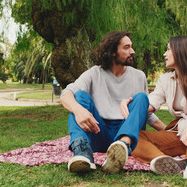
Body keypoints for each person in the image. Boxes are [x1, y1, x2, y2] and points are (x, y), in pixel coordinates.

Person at [60, 31, 166, 174]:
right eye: (126, 47)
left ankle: (121, 148)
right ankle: (82, 153)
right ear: (113, 52)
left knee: (141, 98)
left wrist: (168, 132)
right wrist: (78, 110)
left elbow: (143, 113)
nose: (132, 51)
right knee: (79, 96)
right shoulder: (94, 73)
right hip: (98, 130)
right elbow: (66, 94)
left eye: (131, 47)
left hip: (127, 131)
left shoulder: (139, 76)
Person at [122, 36, 187, 181]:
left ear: (181, 51)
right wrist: (132, 104)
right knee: (134, 138)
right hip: (183, 135)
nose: (164, 54)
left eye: (168, 49)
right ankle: (167, 162)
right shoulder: (165, 80)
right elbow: (151, 102)